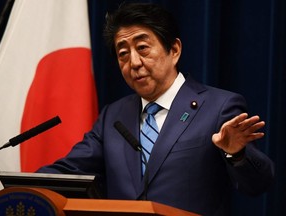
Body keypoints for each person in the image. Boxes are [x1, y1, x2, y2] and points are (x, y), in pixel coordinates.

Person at [37, 3, 274, 215]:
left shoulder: (218, 107)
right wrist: (19, 184)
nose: (134, 62)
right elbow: (69, 171)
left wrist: (237, 154)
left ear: (174, 50)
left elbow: (258, 185)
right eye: (123, 54)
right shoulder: (113, 116)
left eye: (142, 48)